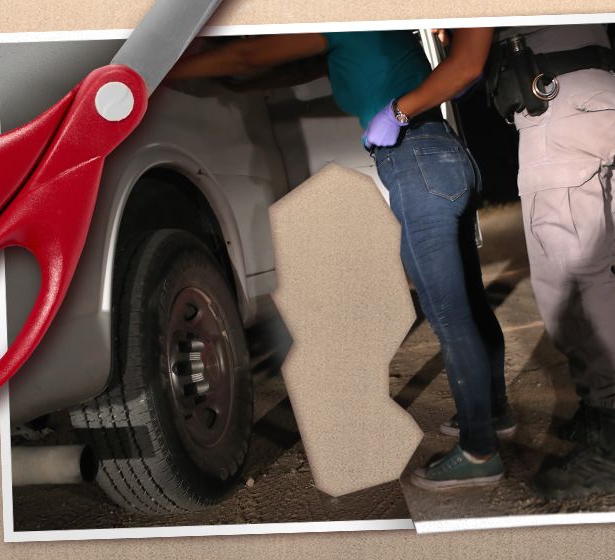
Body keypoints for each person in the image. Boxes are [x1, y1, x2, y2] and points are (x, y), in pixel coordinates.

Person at [166, 29, 514, 490]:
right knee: (468, 301)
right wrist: (229, 83)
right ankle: (493, 413)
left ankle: (479, 450)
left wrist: (166, 68)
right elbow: (286, 68)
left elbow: (248, 53)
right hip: (441, 155)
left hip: (416, 161)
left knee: (449, 314)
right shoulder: (366, 36)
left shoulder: (343, 23)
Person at [392, 25, 615, 499]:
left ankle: (608, 453)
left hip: (563, 108)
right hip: (614, 97)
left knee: (571, 290)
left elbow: (467, 61)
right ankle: (598, 420)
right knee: (592, 276)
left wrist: (400, 107)